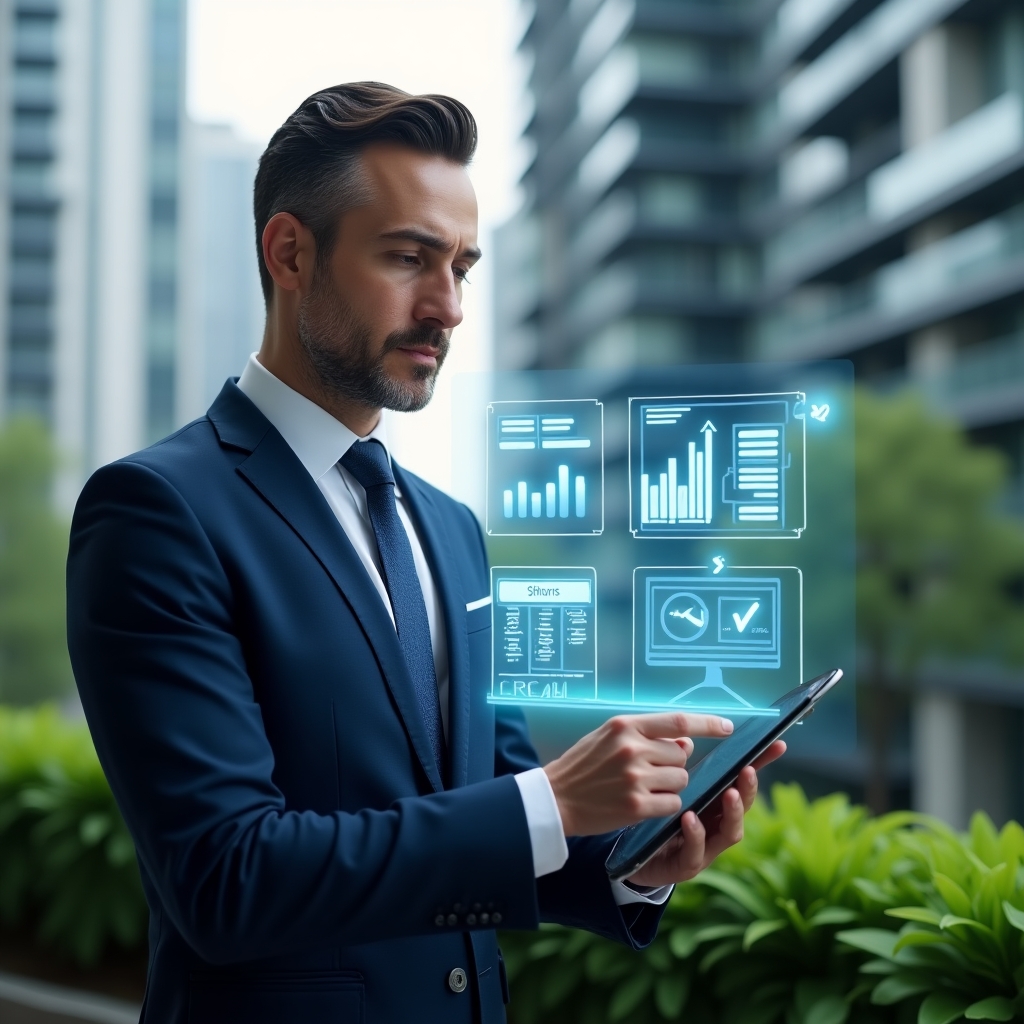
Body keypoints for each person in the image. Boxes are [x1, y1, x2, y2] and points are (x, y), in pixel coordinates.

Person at [66, 83, 784, 1024]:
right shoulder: (157, 512)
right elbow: (225, 878)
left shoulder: (451, 528)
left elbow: (489, 809)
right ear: (290, 252)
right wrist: (546, 801)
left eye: (461, 267)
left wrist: (634, 866)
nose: (447, 307)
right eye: (409, 258)